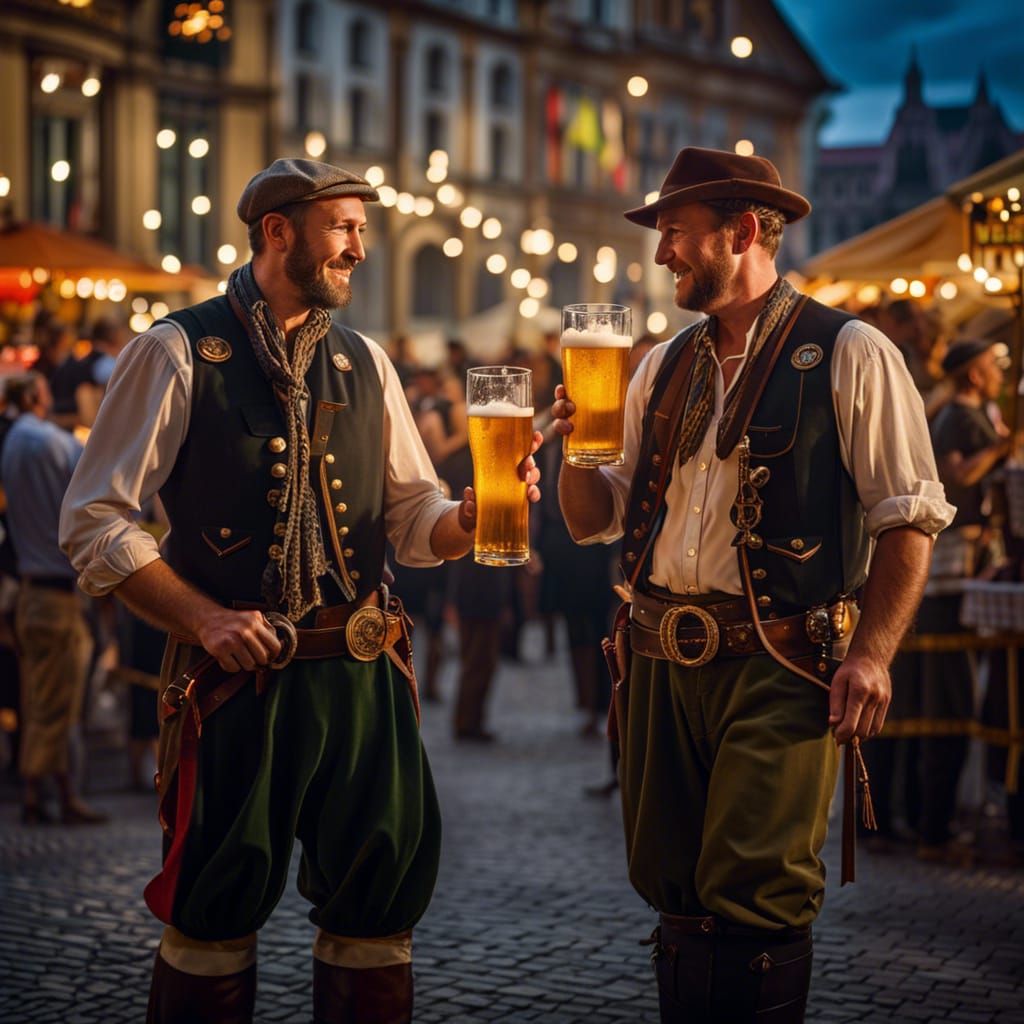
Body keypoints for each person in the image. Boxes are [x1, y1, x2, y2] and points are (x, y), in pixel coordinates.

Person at [60, 158, 541, 1024]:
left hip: (361, 678)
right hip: (234, 686)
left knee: (378, 915)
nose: (361, 247)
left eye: (363, 229)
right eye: (344, 228)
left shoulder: (369, 363)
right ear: (279, 230)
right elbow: (95, 521)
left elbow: (411, 516)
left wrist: (467, 521)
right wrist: (202, 616)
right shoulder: (178, 350)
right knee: (212, 910)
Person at [551, 147, 954, 1023]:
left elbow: (908, 517)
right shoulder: (660, 365)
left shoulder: (850, 350)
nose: (662, 257)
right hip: (658, 654)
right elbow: (596, 520)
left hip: (781, 657)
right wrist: (574, 446)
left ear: (743, 231)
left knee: (757, 886)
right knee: (671, 881)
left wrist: (874, 655)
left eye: (677, 235)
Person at [0, 372, 106, 825]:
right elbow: (95, 492)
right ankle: (50, 794)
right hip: (56, 595)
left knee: (38, 697)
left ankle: (43, 791)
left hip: (29, 593)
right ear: (34, 395)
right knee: (58, 702)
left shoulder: (10, 445)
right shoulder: (54, 442)